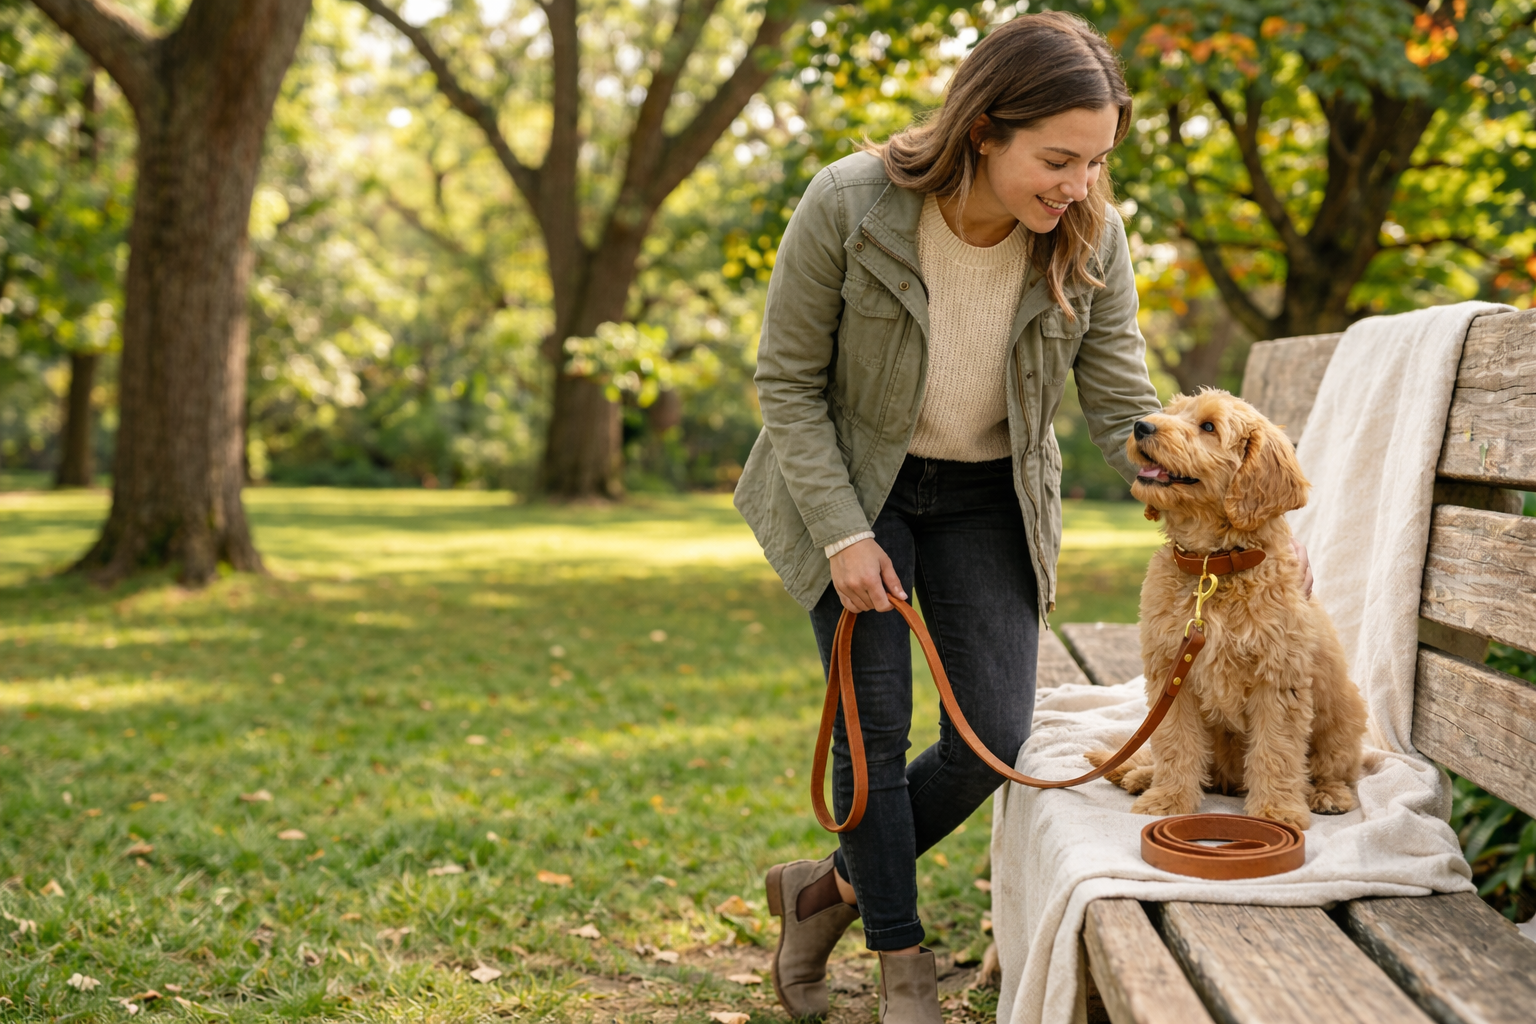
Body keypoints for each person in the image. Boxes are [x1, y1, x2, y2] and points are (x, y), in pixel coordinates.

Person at [734, 11, 1304, 1024]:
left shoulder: (1094, 237)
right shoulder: (848, 203)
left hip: (989, 495)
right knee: (872, 728)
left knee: (994, 728)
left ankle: (823, 893)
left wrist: (1240, 526)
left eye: (1095, 162)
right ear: (985, 126)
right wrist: (843, 535)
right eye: (1058, 159)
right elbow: (785, 384)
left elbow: (1127, 403)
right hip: (853, 486)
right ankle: (903, 965)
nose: (1078, 185)